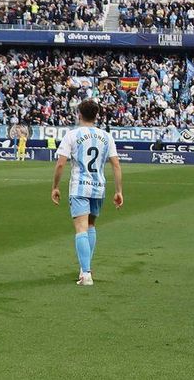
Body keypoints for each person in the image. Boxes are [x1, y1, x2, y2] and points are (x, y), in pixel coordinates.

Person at [51, 100, 123, 287]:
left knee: (81, 228)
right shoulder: (106, 137)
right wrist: (118, 191)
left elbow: (60, 163)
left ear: (79, 115)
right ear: (96, 115)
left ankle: (86, 274)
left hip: (79, 187)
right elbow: (116, 164)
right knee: (90, 225)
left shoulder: (72, 135)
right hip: (99, 187)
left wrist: (55, 186)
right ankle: (85, 268)